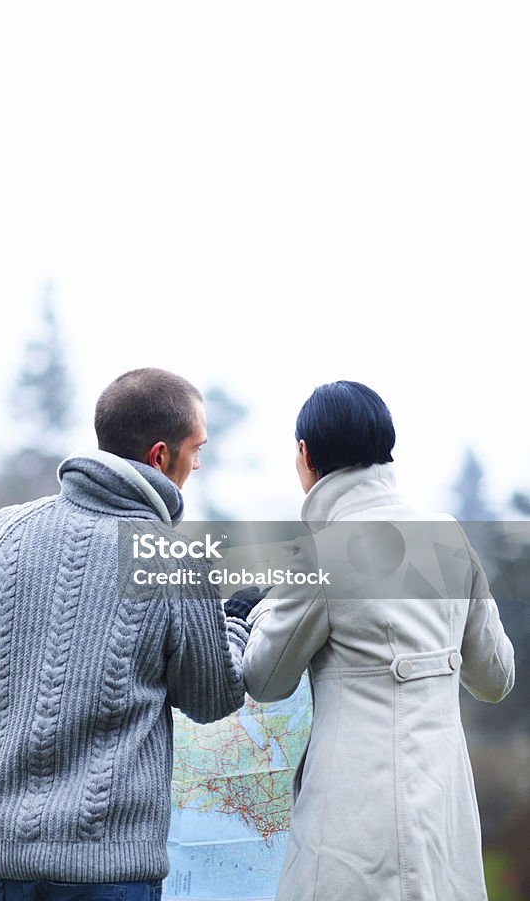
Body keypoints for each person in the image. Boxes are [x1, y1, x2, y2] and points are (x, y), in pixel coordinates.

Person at [0, 367, 255, 901]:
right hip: (111, 874)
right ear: (160, 456)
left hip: (4, 869)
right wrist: (233, 625)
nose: (198, 464)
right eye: (197, 449)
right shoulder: (174, 557)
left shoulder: (2, 532)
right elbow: (212, 697)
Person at [242, 380, 515, 901]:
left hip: (350, 825)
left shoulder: (324, 553)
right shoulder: (445, 536)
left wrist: (263, 608)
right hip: (443, 812)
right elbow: (496, 679)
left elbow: (266, 677)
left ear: (305, 455)